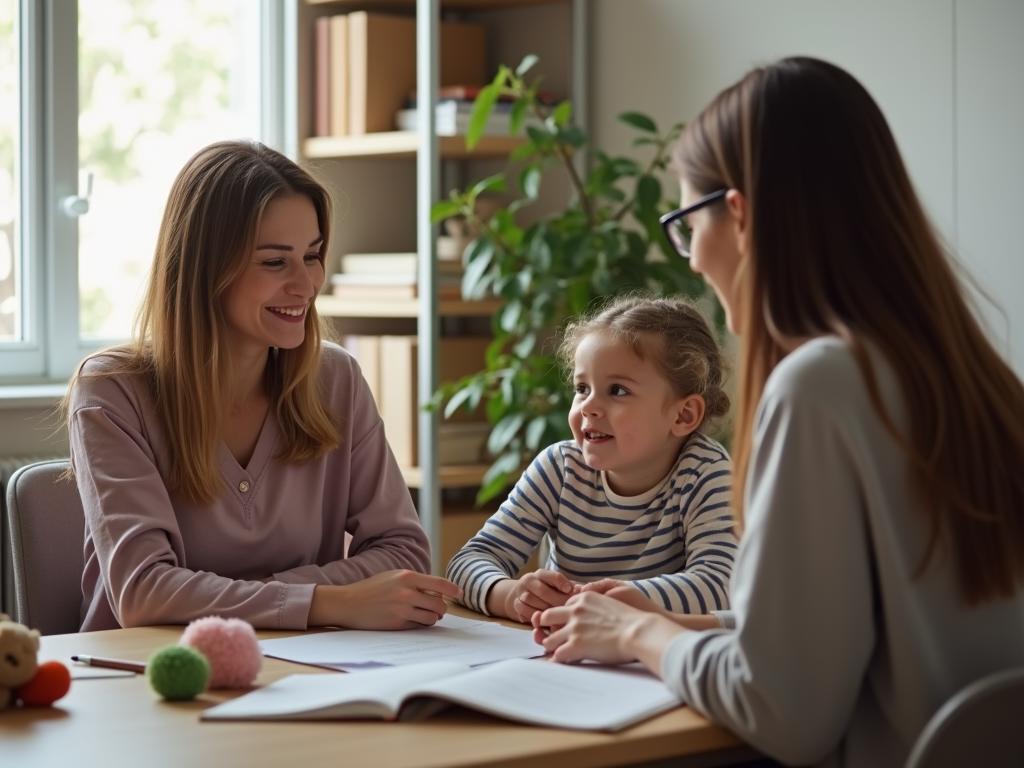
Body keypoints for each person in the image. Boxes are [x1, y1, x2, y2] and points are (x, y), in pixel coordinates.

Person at [533, 57, 1024, 766]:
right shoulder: (976, 378)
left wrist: (638, 637)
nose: (693, 259)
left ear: (736, 214)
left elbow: (783, 710)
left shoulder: (819, 387)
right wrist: (678, 620)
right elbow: (846, 633)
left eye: (683, 224)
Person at [66, 140, 460, 632]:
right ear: (205, 270)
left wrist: (255, 594)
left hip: (303, 670)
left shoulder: (336, 380)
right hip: (145, 681)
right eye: (275, 262)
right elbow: (144, 592)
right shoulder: (112, 392)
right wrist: (326, 601)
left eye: (312, 256)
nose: (307, 284)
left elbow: (403, 553)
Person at [447, 295, 736, 624]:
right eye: (582, 388)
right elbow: (468, 562)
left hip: (648, 661)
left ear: (683, 415)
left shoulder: (705, 474)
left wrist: (615, 602)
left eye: (618, 391)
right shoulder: (559, 468)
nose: (588, 407)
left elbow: (721, 585)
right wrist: (510, 595)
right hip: (558, 652)